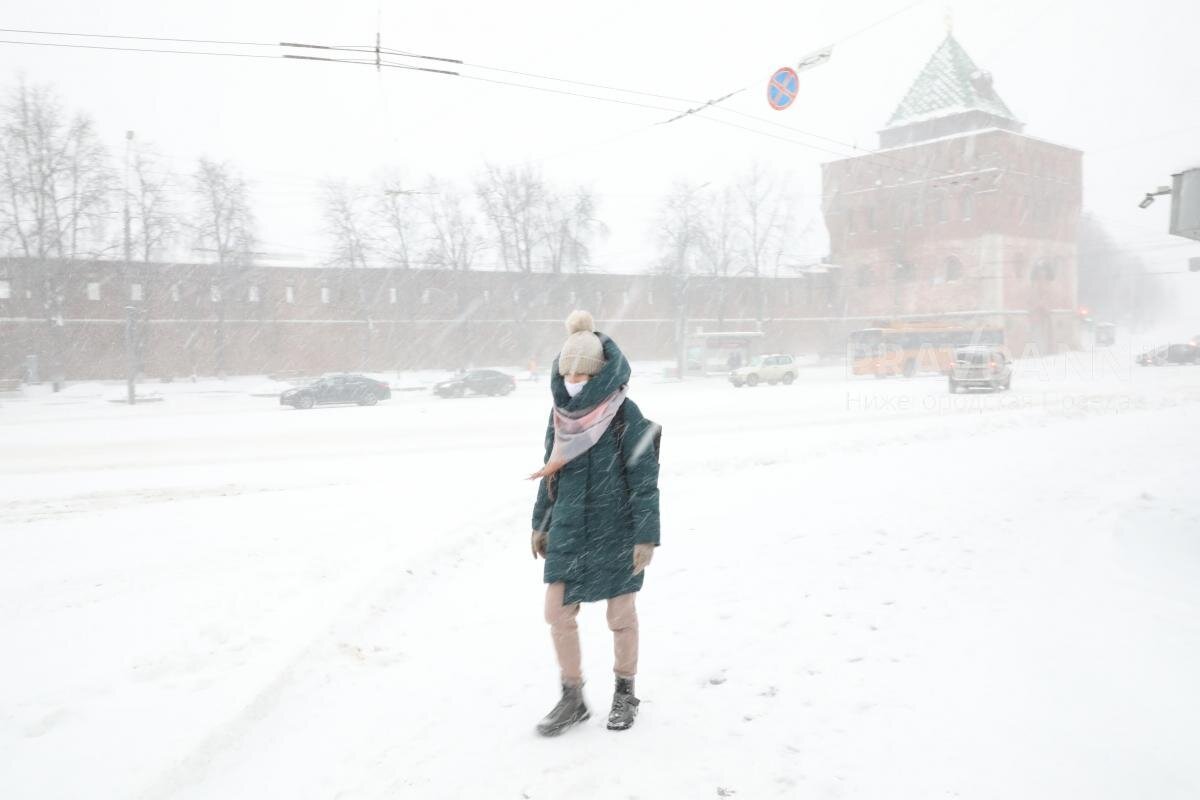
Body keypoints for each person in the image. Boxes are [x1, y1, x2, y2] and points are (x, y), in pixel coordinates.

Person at [529, 310, 661, 736]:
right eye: (568, 373)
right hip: (569, 528)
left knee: (620, 615)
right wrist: (541, 523)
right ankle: (573, 697)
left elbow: (645, 480)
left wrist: (646, 536)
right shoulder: (559, 417)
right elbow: (551, 473)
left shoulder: (625, 414)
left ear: (598, 374)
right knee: (557, 612)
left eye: (582, 375)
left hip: (616, 528)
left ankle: (625, 691)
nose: (574, 382)